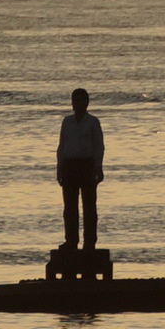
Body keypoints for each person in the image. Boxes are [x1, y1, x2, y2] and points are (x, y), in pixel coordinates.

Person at [56, 88, 104, 250]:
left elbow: (99, 146)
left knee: (89, 207)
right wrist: (60, 168)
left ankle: (90, 242)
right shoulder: (67, 122)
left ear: (86, 103)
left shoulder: (93, 122)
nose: (76, 104)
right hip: (69, 166)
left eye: (80, 100)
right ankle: (71, 241)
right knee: (69, 208)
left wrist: (98, 166)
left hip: (87, 165)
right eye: (74, 100)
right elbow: (61, 146)